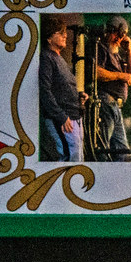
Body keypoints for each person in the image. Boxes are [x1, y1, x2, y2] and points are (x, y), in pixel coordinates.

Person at [39, 23, 87, 162]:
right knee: (69, 155)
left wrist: (79, 97)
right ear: (49, 38)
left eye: (65, 32)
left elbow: (61, 87)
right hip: (63, 118)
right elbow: (45, 90)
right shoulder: (47, 57)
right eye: (60, 33)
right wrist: (61, 116)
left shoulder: (59, 58)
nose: (65, 35)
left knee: (76, 154)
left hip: (73, 115)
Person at [95, 15, 131, 160]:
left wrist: (129, 51)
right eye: (116, 35)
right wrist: (120, 76)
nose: (118, 40)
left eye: (121, 37)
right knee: (103, 147)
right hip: (106, 102)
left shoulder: (117, 54)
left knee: (123, 151)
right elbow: (96, 72)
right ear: (109, 31)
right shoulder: (101, 48)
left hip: (116, 107)